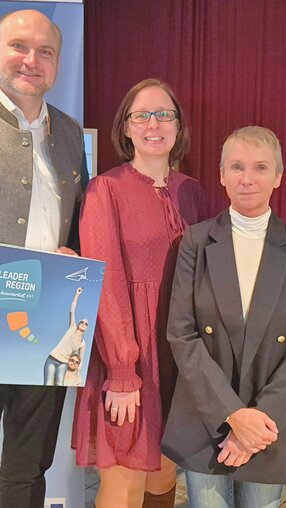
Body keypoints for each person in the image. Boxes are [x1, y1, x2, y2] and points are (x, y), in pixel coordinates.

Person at [162, 126, 286, 508]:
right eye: (236, 167)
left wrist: (256, 422)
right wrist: (232, 414)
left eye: (260, 167)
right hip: (208, 416)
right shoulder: (196, 242)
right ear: (221, 175)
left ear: (279, 176)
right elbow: (182, 335)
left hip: (271, 422)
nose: (247, 179)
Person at [72, 78, 206, 508]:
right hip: (127, 355)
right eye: (141, 114)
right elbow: (105, 282)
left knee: (164, 475)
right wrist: (123, 369)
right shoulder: (104, 190)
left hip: (179, 356)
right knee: (124, 486)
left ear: (178, 126)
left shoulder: (193, 191)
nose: (154, 123)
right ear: (126, 127)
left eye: (164, 114)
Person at [0, 9, 88, 508]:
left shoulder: (71, 133)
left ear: (57, 62)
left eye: (45, 51)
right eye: (18, 46)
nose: (31, 60)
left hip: (46, 321)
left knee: (29, 465)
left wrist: (73, 250)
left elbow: (77, 217)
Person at [44, 287, 87, 385]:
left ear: (87, 328)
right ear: (78, 323)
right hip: (52, 359)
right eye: (82, 322)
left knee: (60, 384)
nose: (84, 323)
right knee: (48, 383)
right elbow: (72, 310)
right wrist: (77, 294)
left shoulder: (82, 343)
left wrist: (77, 373)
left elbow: (81, 359)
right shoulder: (72, 328)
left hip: (63, 363)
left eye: (86, 323)